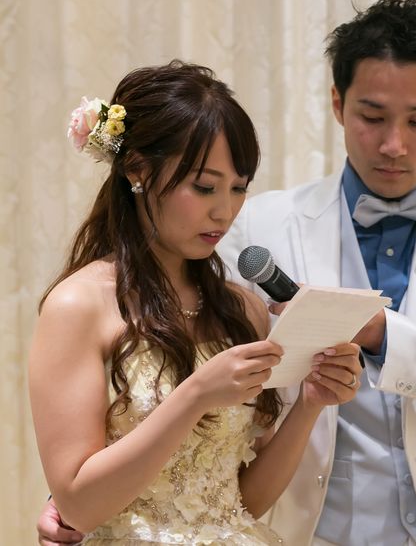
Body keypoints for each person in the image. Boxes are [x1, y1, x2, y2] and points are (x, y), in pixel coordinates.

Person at [38, 0, 416, 545]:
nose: (393, 144)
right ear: (337, 103)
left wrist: (375, 334)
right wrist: (75, 498)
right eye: (372, 116)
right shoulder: (259, 224)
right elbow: (149, 358)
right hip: (315, 526)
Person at [30, 60, 361, 546]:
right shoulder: (78, 305)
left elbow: (242, 503)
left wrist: (310, 404)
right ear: (137, 170)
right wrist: (195, 395)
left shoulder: (242, 310)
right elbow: (78, 505)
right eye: (204, 187)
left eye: (239, 187)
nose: (224, 211)